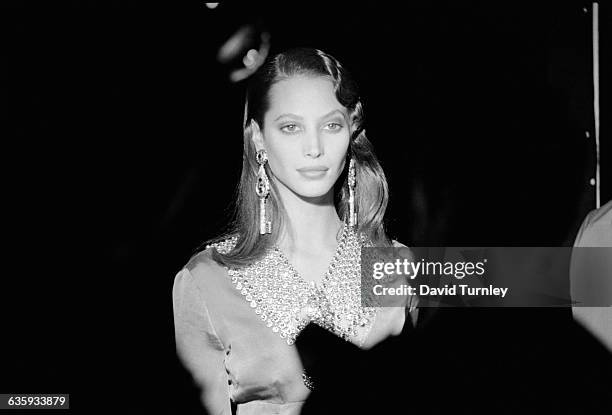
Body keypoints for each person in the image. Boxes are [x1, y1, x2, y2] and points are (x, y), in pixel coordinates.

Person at [171, 47, 417, 415]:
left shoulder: (398, 265)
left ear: (352, 128)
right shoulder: (206, 280)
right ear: (257, 137)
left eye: (331, 125)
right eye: (291, 127)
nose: (314, 148)